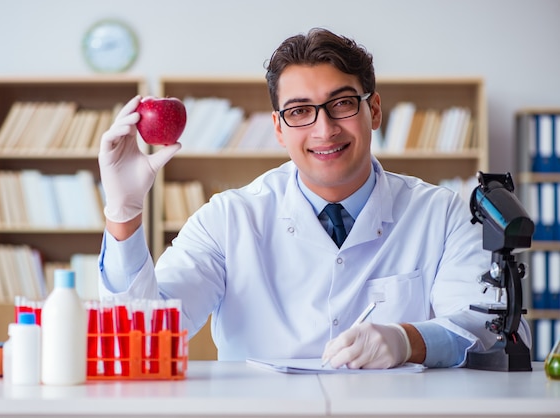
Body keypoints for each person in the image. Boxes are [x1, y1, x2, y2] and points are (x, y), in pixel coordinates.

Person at [97, 27, 531, 369]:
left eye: (342, 104)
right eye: (300, 111)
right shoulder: (228, 219)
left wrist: (409, 341)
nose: (324, 130)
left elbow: (500, 333)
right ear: (279, 127)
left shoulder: (442, 214)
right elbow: (143, 337)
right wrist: (123, 214)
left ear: (374, 110)